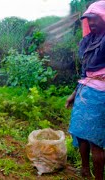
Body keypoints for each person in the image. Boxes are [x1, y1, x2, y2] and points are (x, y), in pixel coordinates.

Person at [65, 1, 105, 179]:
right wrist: (74, 94)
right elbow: (85, 72)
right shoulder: (87, 41)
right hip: (84, 91)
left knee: (96, 141)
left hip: (100, 94)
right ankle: (84, 170)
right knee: (81, 134)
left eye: (95, 18)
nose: (92, 23)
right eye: (89, 20)